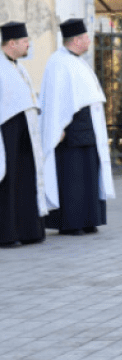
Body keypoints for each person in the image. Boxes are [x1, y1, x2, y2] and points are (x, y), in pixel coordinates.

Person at [39, 19, 115, 236]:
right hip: (70, 133)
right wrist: (58, 127)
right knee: (73, 179)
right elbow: (56, 101)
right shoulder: (58, 62)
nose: (89, 41)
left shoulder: (80, 62)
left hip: (88, 131)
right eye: (86, 37)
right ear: (77, 39)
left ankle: (90, 218)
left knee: (89, 176)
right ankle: (71, 223)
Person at [0, 22, 47, 246]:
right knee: (8, 181)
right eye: (25, 41)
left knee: (25, 178)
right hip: (6, 132)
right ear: (12, 43)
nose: (29, 44)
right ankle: (7, 234)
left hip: (25, 130)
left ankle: (28, 230)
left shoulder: (18, 66)